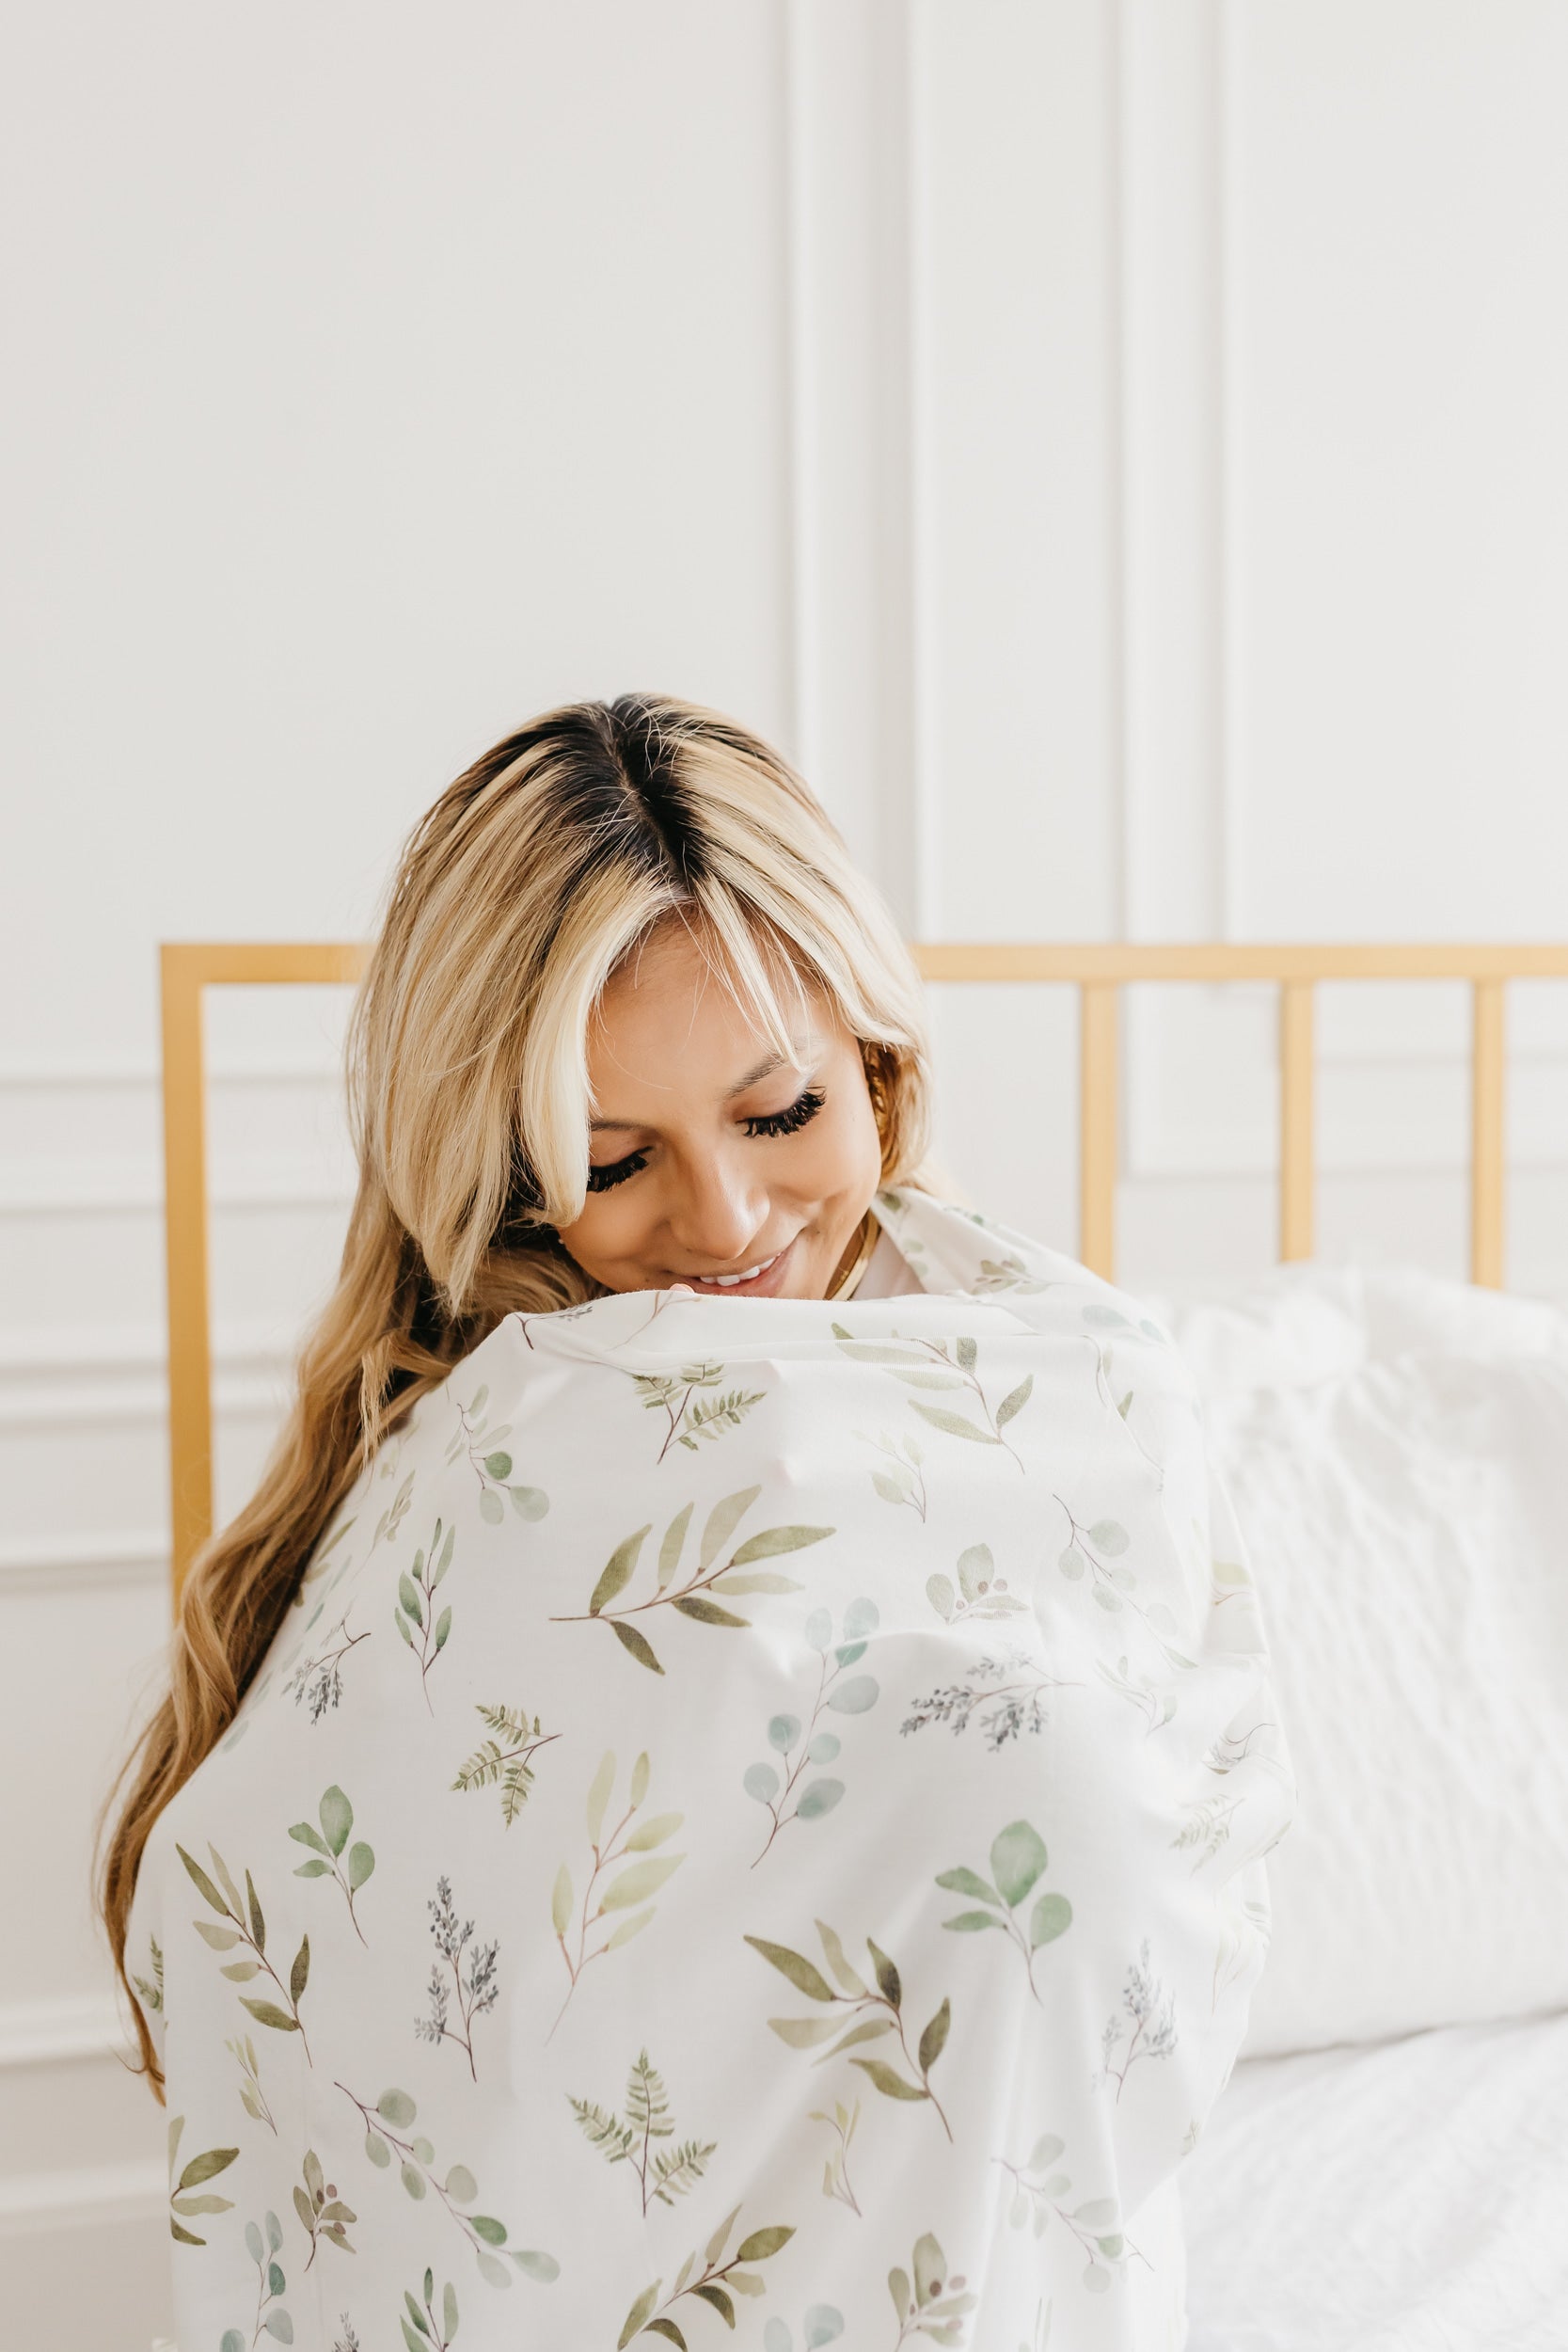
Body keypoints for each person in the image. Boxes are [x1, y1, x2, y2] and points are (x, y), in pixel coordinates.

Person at [103, 694, 1293, 2351]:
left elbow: (1183, 1848)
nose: (727, 1222)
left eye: (781, 1113)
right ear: (502, 1176)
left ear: (877, 1066)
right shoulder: (498, 1460)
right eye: (614, 1160)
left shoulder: (1065, 1373)